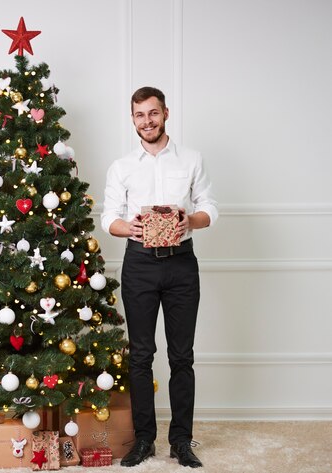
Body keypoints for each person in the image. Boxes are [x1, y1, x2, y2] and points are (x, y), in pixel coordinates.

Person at [101, 87, 218, 468]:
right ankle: (144, 439)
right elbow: (108, 217)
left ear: (165, 113)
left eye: (153, 113)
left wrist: (191, 220)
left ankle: (181, 441)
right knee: (140, 356)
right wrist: (127, 228)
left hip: (182, 264)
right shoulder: (122, 166)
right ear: (132, 119)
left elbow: (209, 207)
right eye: (139, 115)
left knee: (182, 356)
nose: (147, 121)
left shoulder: (192, 159)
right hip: (139, 264)